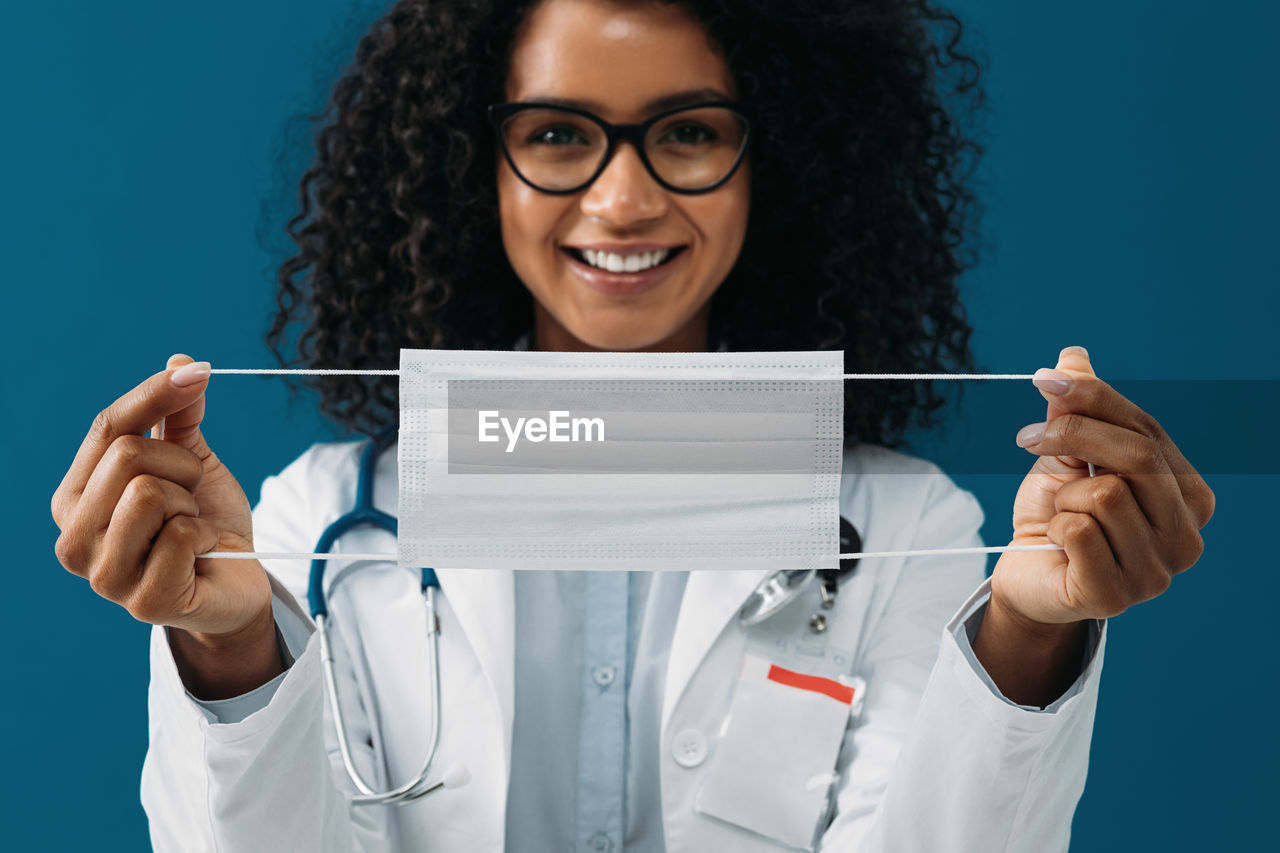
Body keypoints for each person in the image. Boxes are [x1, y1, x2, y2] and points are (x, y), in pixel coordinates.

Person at [51, 0, 1214, 850]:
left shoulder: (907, 521)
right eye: (558, 133)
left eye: (688, 132)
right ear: (479, 170)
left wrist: (1022, 633)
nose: (621, 198)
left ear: (776, 167)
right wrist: (227, 643)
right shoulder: (316, 520)